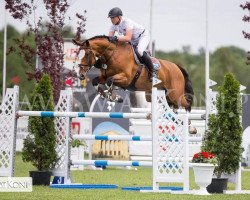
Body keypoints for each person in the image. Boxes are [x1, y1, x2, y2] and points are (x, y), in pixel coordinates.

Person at [108, 7, 157, 81]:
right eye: (111, 18)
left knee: (140, 51)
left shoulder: (127, 22)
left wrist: (116, 38)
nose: (112, 20)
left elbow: (128, 38)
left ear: (119, 17)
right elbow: (109, 39)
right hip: (133, 40)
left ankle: (153, 72)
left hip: (142, 36)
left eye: (113, 18)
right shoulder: (113, 26)